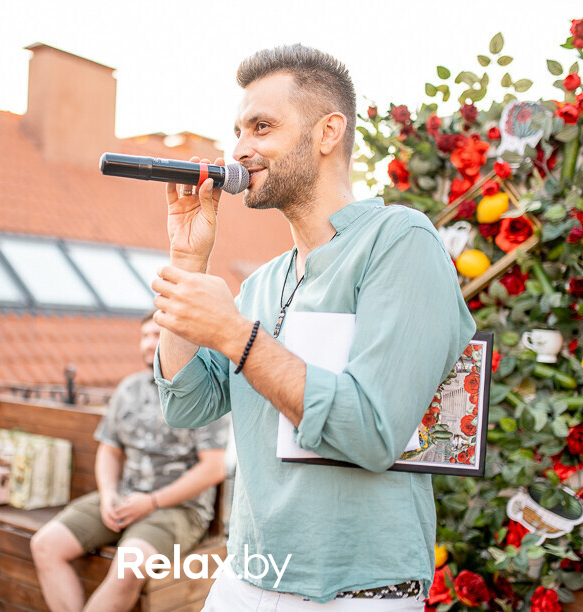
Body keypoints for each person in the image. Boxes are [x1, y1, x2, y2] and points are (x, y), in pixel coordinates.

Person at [151, 44, 477, 610]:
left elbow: (373, 433)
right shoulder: (261, 282)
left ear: (328, 132)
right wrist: (187, 263)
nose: (240, 149)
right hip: (246, 576)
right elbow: (186, 404)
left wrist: (235, 335)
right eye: (238, 131)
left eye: (262, 126)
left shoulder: (400, 241)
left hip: (358, 592)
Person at [30, 313, 228, 612]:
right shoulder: (128, 389)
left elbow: (213, 468)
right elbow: (109, 451)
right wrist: (108, 494)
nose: (149, 344)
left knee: (128, 566)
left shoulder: (201, 394)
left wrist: (150, 502)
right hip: (123, 497)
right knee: (45, 544)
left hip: (179, 510)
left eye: (157, 335)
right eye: (145, 336)